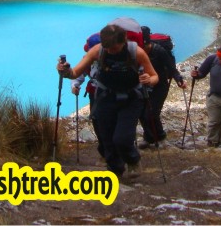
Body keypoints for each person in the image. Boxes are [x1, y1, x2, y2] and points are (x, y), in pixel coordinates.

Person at [58, 24, 159, 179]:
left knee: (122, 138)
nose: (111, 51)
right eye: (108, 48)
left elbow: (154, 76)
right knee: (106, 138)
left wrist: (148, 80)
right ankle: (115, 170)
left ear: (124, 41)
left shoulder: (136, 52)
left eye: (115, 48)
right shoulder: (97, 50)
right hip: (106, 97)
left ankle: (133, 160)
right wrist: (65, 71)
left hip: (131, 99)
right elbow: (75, 72)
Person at [138, 26, 186, 149]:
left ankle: (160, 136)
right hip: (144, 85)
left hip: (160, 86)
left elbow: (172, 68)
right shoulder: (139, 51)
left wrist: (179, 80)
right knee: (142, 114)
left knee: (152, 113)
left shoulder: (159, 51)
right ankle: (149, 138)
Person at [71, 33, 105, 157]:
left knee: (107, 121)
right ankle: (105, 151)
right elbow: (78, 75)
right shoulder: (88, 60)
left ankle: (110, 151)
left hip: (107, 94)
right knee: (96, 121)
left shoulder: (112, 59)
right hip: (95, 94)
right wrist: (75, 85)